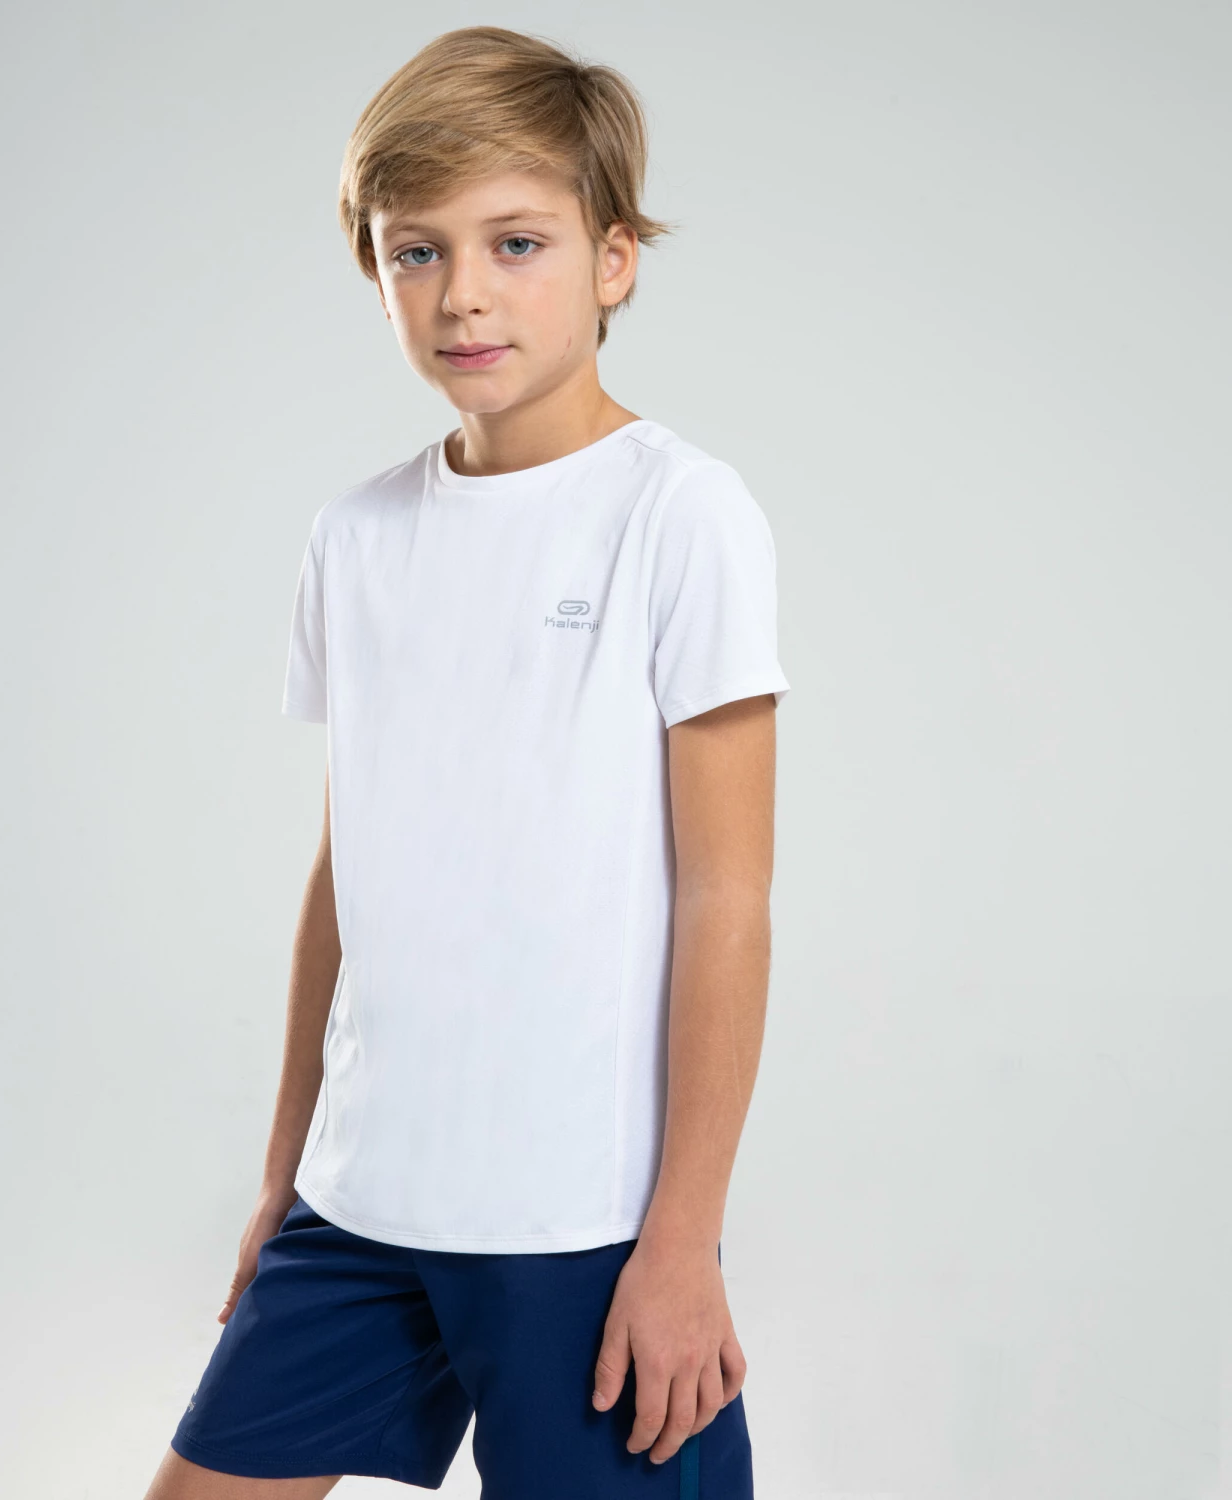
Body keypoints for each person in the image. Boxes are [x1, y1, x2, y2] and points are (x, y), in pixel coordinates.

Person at [144, 25, 788, 1500]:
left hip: (579, 1225)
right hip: (361, 1206)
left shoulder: (681, 516)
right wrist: (283, 1175)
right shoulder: (356, 536)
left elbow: (728, 901)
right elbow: (348, 877)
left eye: (516, 242)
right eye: (416, 251)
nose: (464, 292)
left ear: (613, 260)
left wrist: (681, 1241)